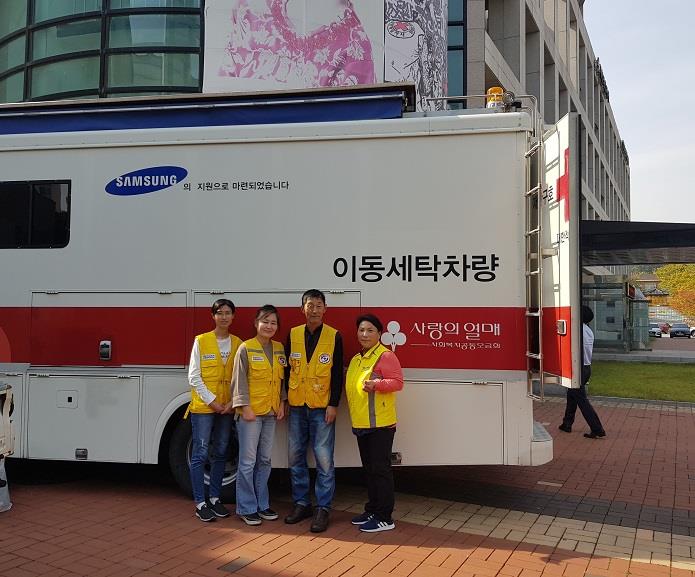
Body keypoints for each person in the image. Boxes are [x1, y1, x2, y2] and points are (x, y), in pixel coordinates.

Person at [284, 289, 344, 533]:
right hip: (297, 405)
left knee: (324, 459)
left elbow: (338, 372)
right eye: (310, 305)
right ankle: (301, 504)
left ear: (325, 308)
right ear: (303, 309)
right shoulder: (293, 333)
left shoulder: (334, 336)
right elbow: (288, 369)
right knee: (295, 456)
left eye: (319, 305)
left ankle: (323, 508)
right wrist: (285, 399)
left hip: (322, 408)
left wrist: (333, 404)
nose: (314, 310)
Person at [345, 314, 404, 533]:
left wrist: (378, 384)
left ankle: (384, 516)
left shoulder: (385, 356)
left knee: (381, 470)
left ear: (379, 333)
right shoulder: (357, 358)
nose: (364, 334)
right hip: (362, 423)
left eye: (370, 330)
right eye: (361, 330)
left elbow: (398, 383)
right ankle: (372, 509)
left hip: (381, 424)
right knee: (369, 469)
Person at [230, 305, 287, 525]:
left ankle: (262, 505)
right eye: (265, 321)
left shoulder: (280, 348)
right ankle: (246, 507)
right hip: (251, 414)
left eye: (273, 322)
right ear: (256, 323)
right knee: (247, 461)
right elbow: (239, 380)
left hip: (271, 412)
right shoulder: (246, 348)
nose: (269, 326)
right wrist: (245, 407)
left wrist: (282, 402)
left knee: (264, 460)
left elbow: (281, 379)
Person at [187, 299, 241, 522]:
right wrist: (212, 402)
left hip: (227, 408)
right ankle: (200, 502)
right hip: (204, 409)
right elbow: (193, 376)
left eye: (228, 313)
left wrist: (231, 403)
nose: (224, 317)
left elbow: (242, 376)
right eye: (220, 313)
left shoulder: (238, 343)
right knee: (200, 454)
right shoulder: (201, 341)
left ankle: (215, 498)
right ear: (213, 316)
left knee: (221, 452)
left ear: (233, 316)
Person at [559, 305, 606, 439]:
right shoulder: (588, 330)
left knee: (581, 399)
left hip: (577, 368)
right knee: (572, 395)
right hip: (586, 367)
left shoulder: (576, 330)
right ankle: (567, 423)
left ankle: (597, 428)